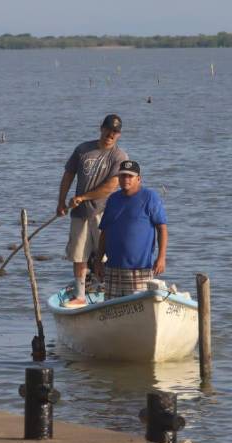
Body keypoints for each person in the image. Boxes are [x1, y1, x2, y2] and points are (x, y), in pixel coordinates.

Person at [57, 114, 128, 307]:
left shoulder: (119, 156)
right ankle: (80, 295)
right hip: (79, 213)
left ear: (119, 135)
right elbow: (68, 175)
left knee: (105, 255)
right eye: (108, 130)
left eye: (115, 132)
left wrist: (84, 197)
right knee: (79, 255)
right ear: (101, 128)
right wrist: (61, 202)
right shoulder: (83, 150)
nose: (110, 135)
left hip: (104, 213)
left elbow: (111, 186)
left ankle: (109, 292)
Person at [94, 160, 167, 300]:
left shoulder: (150, 197)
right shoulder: (113, 199)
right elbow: (105, 232)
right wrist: (98, 261)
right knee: (113, 313)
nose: (125, 179)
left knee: (141, 310)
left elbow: (162, 229)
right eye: (122, 176)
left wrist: (161, 257)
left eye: (130, 176)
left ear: (138, 178)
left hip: (140, 269)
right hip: (113, 269)